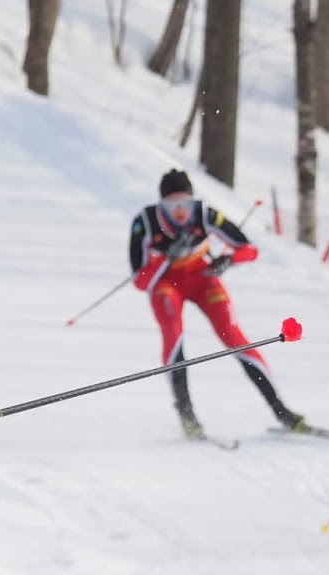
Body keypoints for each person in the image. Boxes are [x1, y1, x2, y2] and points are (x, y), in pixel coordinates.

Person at [128, 169, 305, 438]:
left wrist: (228, 260)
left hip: (201, 277)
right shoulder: (145, 222)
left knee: (232, 334)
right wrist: (167, 257)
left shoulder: (204, 215)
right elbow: (140, 281)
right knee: (173, 332)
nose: (180, 212)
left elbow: (250, 249)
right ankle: (188, 416)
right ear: (161, 205)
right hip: (165, 283)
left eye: (185, 203)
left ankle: (282, 411)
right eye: (172, 205)